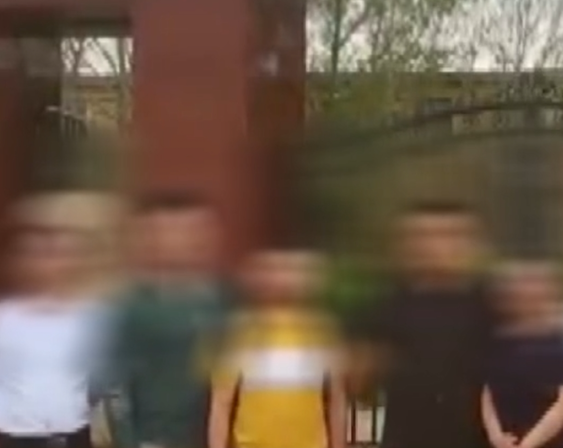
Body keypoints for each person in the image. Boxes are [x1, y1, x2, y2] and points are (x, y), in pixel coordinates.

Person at [350, 200, 498, 448]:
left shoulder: (496, 307)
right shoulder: (381, 309)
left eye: (451, 235)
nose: (437, 246)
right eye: (423, 236)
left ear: (473, 243)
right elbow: (356, 388)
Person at [102, 192, 233, 448]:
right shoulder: (129, 307)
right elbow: (114, 386)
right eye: (168, 230)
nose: (180, 240)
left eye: (193, 230)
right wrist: (129, 441)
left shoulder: (229, 300)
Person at [208, 246, 347, 448]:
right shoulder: (238, 332)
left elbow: (336, 401)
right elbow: (221, 404)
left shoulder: (323, 331)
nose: (283, 278)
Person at [0, 218, 108, 448]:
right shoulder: (5, 318)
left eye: (61, 254)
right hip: (17, 438)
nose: (50, 264)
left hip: (75, 436)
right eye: (37, 254)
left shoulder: (93, 317)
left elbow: (106, 375)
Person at [482, 262, 563, 448]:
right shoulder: (500, 341)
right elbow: (487, 390)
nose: (529, 301)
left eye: (537, 295)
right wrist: (496, 435)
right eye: (522, 296)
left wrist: (527, 445)